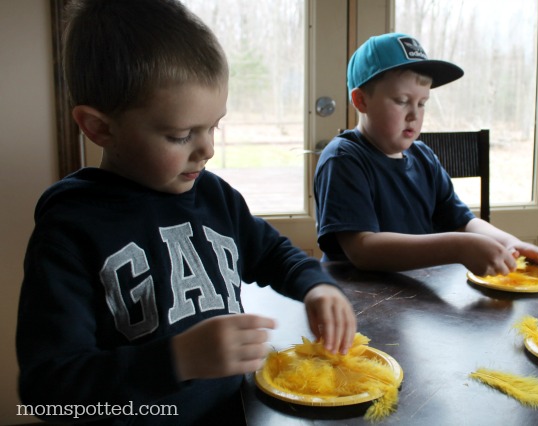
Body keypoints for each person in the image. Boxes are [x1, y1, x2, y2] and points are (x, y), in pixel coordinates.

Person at [16, 1, 356, 424]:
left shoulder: (214, 196)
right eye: (180, 135)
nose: (208, 149)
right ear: (99, 128)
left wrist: (315, 287)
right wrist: (175, 360)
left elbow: (271, 252)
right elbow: (48, 389)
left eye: (214, 126)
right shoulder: (70, 230)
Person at [314, 32, 538, 276]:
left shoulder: (423, 157)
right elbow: (363, 249)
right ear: (361, 101)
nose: (414, 114)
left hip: (416, 296)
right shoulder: (343, 159)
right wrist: (459, 247)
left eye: (422, 103)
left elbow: (463, 222)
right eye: (402, 100)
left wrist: (512, 243)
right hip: (359, 303)